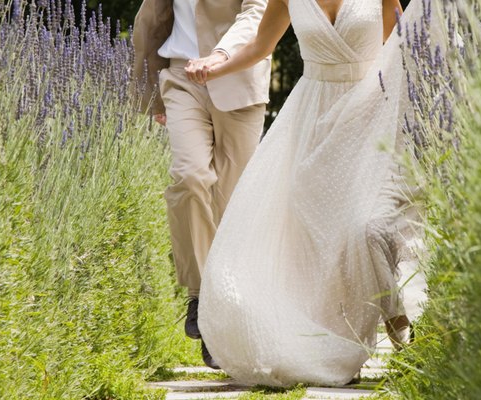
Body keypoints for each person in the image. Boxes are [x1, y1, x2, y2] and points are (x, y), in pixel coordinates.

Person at [188, 0, 444, 387]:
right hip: (313, 121)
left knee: (367, 227)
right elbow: (261, 47)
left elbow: (404, 46)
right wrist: (215, 67)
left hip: (371, 116)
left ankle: (398, 319)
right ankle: (335, 341)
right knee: (318, 239)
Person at [132, 0, 271, 369]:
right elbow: (153, 18)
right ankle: (201, 297)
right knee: (189, 176)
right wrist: (150, 90)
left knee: (230, 202)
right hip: (181, 78)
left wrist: (220, 55)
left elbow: (258, 11)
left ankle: (229, 317)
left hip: (237, 75)